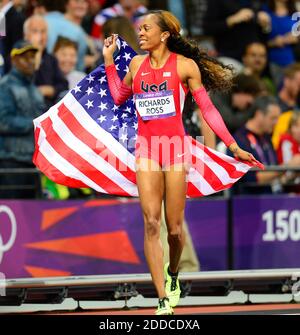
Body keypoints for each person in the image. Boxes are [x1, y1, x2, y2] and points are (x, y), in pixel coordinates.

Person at [103, 10, 262, 315]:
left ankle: (173, 273)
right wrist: (109, 60)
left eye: (146, 28)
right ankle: (162, 298)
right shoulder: (136, 64)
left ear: (164, 35)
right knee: (151, 223)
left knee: (175, 230)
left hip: (175, 150)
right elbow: (118, 95)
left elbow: (208, 110)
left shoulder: (185, 67)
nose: (141, 33)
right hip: (147, 150)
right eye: (139, 29)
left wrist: (233, 146)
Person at [0, 40, 45, 198]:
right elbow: (3, 122)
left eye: (33, 57)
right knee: (11, 214)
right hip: (11, 162)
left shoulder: (35, 90)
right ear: (14, 60)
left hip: (34, 162)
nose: (31, 61)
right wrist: (34, 124)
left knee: (35, 217)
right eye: (25, 57)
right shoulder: (5, 86)